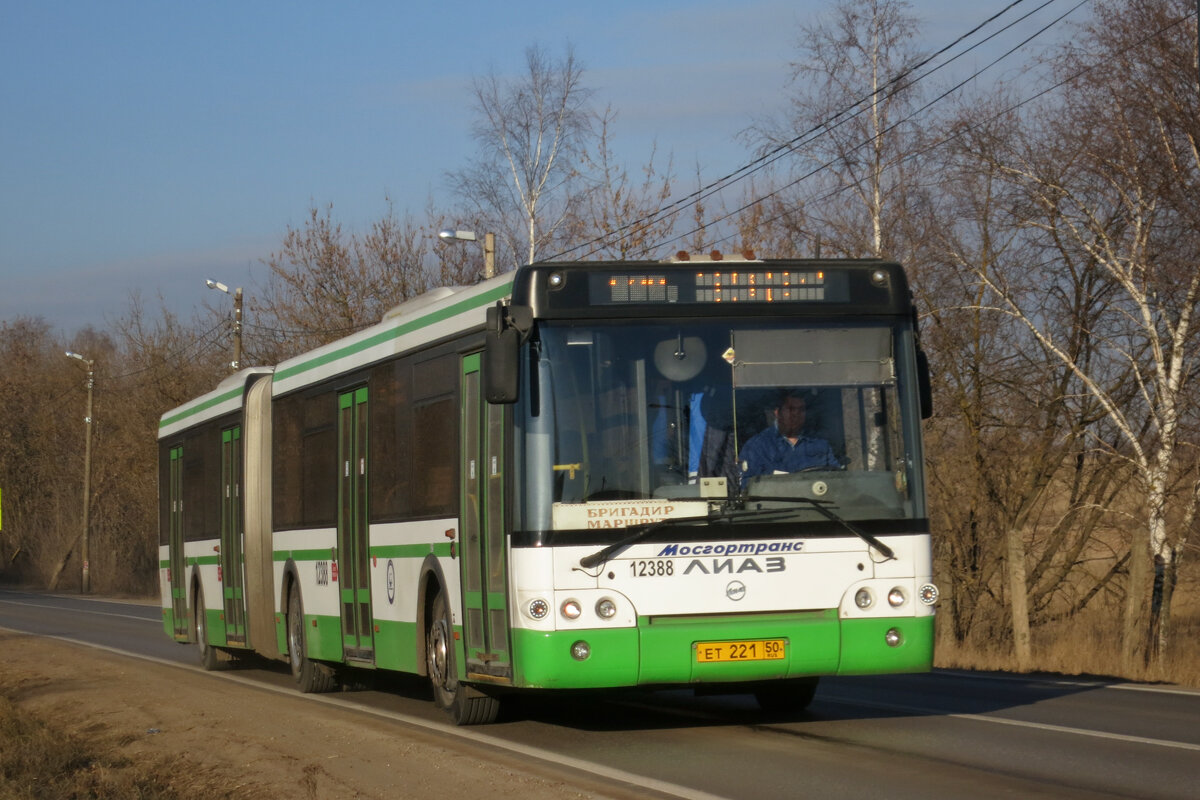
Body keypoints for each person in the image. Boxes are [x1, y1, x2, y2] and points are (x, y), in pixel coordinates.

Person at [738, 390, 839, 486]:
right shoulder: (757, 446)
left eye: (801, 410)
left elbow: (837, 479)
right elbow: (747, 486)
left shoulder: (821, 444)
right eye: (791, 409)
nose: (796, 414)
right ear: (777, 413)